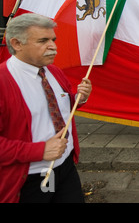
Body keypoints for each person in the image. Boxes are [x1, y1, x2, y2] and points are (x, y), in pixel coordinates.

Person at [0, 13, 92, 203]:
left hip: (66, 167)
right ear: (17, 44)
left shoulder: (54, 71)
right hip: (29, 178)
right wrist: (39, 150)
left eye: (53, 39)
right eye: (43, 40)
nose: (53, 46)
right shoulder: (3, 81)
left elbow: (59, 106)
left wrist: (78, 99)